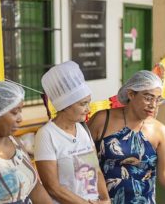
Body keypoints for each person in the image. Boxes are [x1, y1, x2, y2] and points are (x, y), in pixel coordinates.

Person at [87, 70, 165, 204]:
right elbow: (84, 162)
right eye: (148, 98)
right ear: (131, 94)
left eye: (157, 99)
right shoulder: (102, 120)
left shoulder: (161, 132)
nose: (153, 105)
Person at [34, 61, 111, 204]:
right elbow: (53, 188)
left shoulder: (83, 130)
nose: (88, 109)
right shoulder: (47, 135)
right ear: (65, 105)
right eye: (83, 104)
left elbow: (96, 170)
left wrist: (105, 198)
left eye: (88, 102)